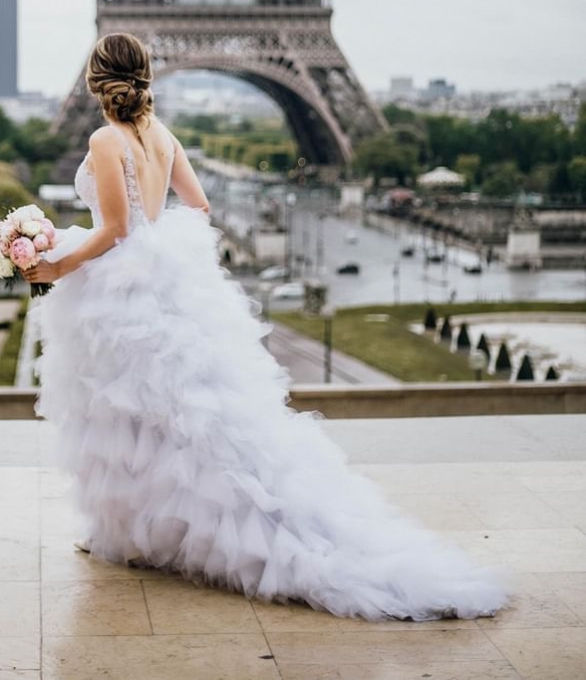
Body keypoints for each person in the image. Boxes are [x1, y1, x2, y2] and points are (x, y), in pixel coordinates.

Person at [26, 32, 508, 621]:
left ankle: (131, 531)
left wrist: (55, 263)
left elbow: (116, 231)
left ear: (93, 80)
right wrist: (162, 245)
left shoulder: (106, 138)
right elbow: (198, 209)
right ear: (145, 74)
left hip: (119, 292)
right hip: (160, 288)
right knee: (177, 420)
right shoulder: (162, 135)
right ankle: (158, 532)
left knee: (129, 422)